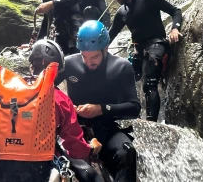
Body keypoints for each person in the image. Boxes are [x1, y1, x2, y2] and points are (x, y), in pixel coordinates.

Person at [0, 39, 102, 182]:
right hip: (40, 172)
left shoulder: (5, 95)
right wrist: (91, 149)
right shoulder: (59, 99)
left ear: (31, 66)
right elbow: (74, 147)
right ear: (56, 70)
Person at [56, 20, 141, 182]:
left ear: (106, 48)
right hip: (74, 130)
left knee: (126, 152)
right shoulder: (69, 63)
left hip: (106, 128)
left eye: (94, 57)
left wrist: (101, 108)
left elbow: (134, 108)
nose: (88, 62)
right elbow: (48, 89)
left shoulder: (121, 67)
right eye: (84, 56)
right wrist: (66, 106)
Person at [106, 0, 182, 122]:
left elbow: (175, 11)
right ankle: (126, 116)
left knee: (149, 83)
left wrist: (175, 28)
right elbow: (110, 35)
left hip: (157, 45)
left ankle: (151, 124)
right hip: (138, 51)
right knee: (121, 79)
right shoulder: (122, 13)